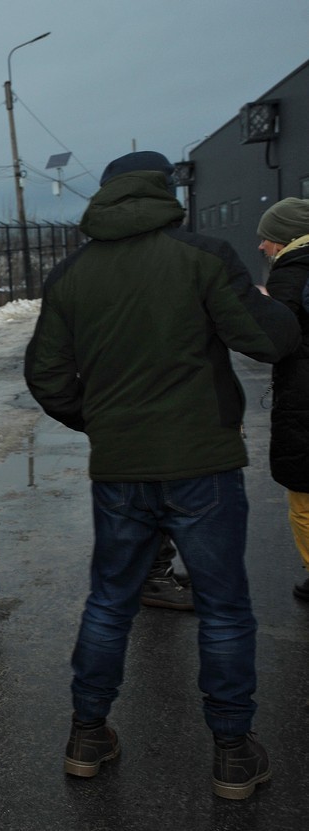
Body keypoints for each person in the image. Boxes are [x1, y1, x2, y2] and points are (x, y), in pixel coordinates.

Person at [24, 150, 299, 800]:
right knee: (226, 607)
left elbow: (47, 377)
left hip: (121, 467)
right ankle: (232, 752)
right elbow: (271, 340)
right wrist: (262, 300)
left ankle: (88, 733)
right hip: (202, 462)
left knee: (110, 599)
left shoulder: (70, 276)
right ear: (166, 192)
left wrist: (101, 421)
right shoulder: (202, 256)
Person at [255, 197, 309, 602]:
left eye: (268, 238)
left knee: (304, 495)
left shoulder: (292, 272)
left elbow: (276, 339)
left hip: (304, 397)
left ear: (287, 239)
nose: (262, 246)